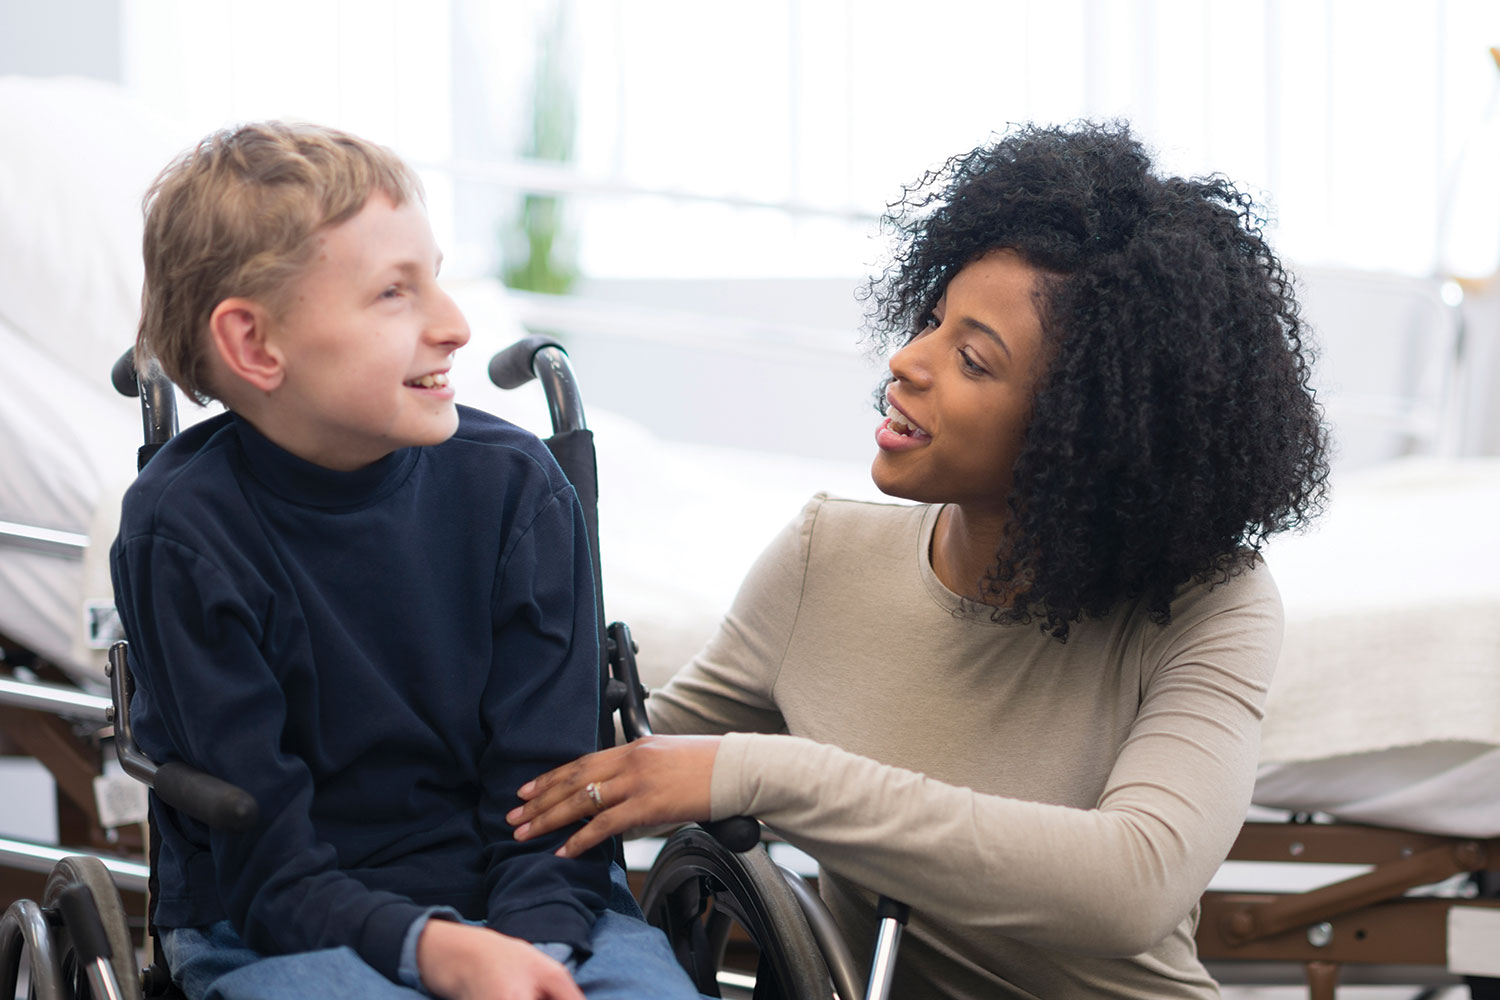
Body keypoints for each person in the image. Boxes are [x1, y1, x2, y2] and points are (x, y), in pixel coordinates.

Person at [508, 121, 1329, 998]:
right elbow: (635, 754)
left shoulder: (1214, 603)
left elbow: (1133, 885)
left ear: (1085, 430)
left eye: (973, 359)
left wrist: (764, 770)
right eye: (933, 321)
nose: (906, 361)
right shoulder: (824, 557)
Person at [111, 122, 701, 1000]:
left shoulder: (515, 490)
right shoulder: (186, 533)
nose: (456, 326)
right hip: (275, 926)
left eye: (439, 277)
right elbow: (269, 867)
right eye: (395, 292)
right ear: (254, 346)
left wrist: (533, 954)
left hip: (538, 904)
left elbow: (546, 795)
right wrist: (436, 954)